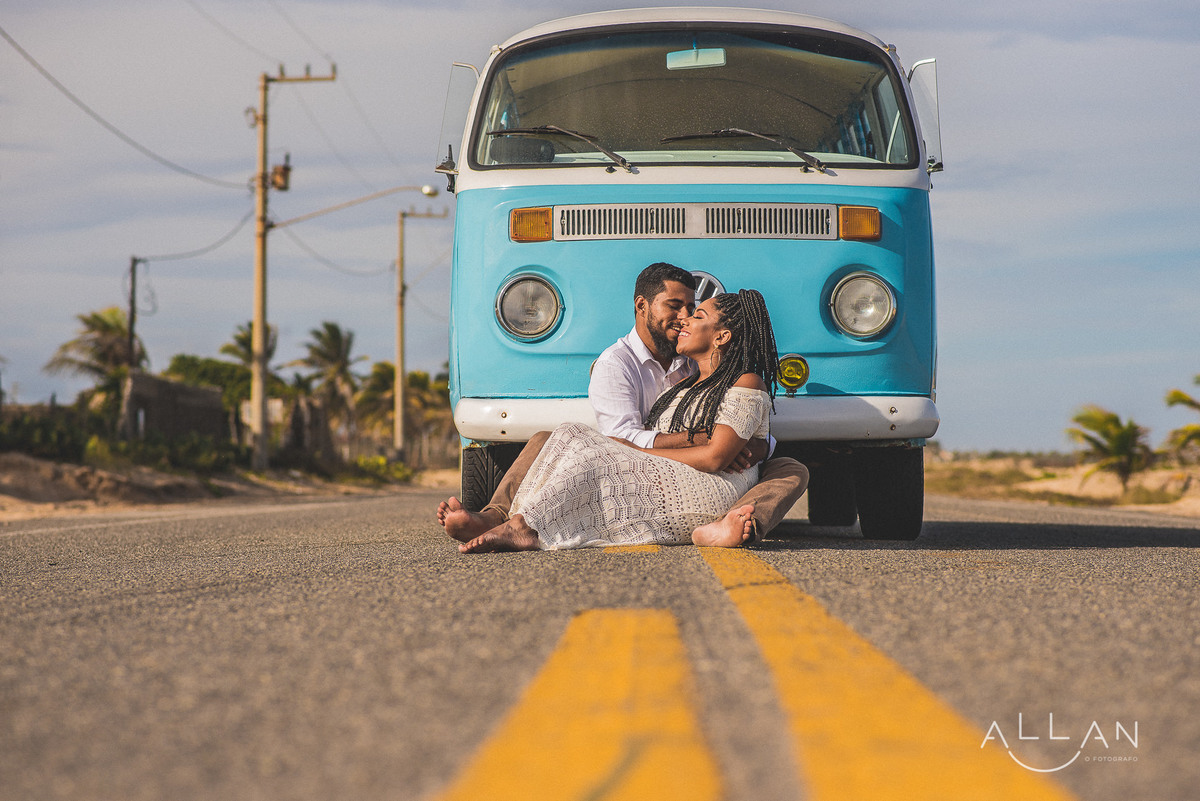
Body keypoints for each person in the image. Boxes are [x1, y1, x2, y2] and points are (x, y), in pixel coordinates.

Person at [438, 263, 808, 546]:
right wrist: (694, 440)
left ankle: (737, 525)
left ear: (722, 336)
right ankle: (500, 518)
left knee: (792, 466)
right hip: (658, 462)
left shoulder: (696, 367)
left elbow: (737, 430)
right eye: (676, 307)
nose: (682, 319)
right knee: (551, 438)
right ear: (642, 306)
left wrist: (755, 446)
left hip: (700, 474)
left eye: (693, 311)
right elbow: (622, 436)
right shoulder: (617, 363)